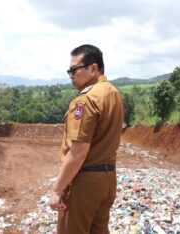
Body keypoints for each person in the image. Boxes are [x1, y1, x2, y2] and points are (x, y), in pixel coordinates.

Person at [49, 44, 124, 233]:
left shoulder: (86, 100)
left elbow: (78, 152)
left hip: (85, 181)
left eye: (74, 70)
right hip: (107, 179)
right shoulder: (113, 93)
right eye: (69, 71)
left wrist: (57, 190)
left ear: (93, 68)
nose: (71, 75)